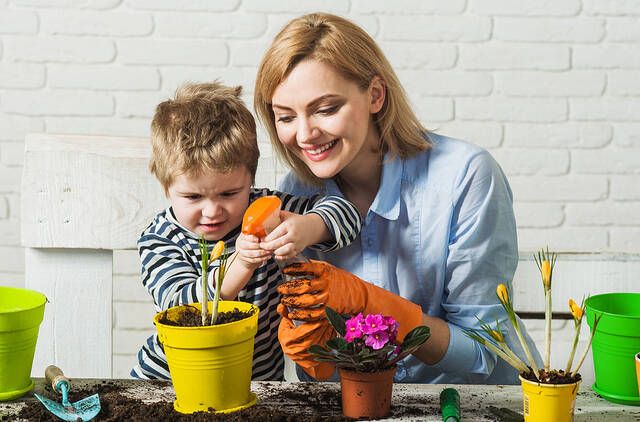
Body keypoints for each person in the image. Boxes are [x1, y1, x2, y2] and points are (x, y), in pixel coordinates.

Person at [254, 12, 541, 384]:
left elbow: (485, 350)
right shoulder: (296, 194)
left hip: (474, 403)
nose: (305, 134)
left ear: (375, 95)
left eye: (325, 109)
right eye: (285, 117)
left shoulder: (466, 176)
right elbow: (319, 365)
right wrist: (309, 349)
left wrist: (372, 305)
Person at [130, 81, 362, 381]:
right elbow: (184, 309)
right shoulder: (160, 239)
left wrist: (308, 227)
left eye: (229, 194)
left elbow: (348, 214)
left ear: (250, 179)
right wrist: (240, 264)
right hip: (171, 380)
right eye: (193, 197)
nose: (212, 210)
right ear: (166, 187)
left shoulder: (266, 209)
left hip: (257, 383)